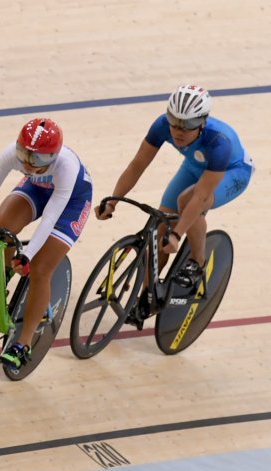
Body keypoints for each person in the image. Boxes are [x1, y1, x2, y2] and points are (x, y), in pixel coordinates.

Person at [96, 84, 254, 322]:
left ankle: (197, 264)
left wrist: (178, 234)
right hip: (194, 167)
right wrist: (113, 200)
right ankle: (146, 299)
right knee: (159, 230)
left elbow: (201, 196)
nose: (178, 130)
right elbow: (137, 164)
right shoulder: (162, 126)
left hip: (232, 173)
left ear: (202, 121)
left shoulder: (219, 142)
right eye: (174, 121)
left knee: (187, 201)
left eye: (187, 124)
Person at [0, 118, 92, 371]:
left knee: (41, 269)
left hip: (72, 202)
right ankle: (8, 270)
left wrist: (29, 254)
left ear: (53, 156)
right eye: (24, 155)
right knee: (2, 228)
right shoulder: (13, 155)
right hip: (38, 189)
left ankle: (23, 343)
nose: (30, 164)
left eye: (39, 160)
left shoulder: (66, 167)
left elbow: (52, 215)